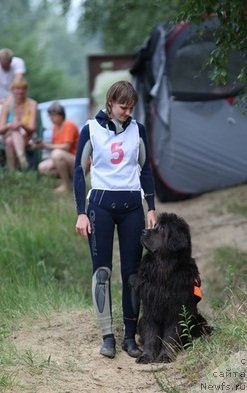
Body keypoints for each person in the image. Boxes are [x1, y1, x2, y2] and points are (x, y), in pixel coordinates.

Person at [74, 80, 156, 359]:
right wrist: (81, 213)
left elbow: (145, 169)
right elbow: (77, 172)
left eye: (131, 107)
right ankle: (107, 336)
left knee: (133, 274)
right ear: (110, 102)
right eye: (123, 106)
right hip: (100, 207)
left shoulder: (138, 130)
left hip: (133, 207)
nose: (127, 112)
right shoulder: (90, 129)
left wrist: (152, 206)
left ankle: (129, 337)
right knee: (102, 273)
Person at [35, 102, 79, 193]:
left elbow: (66, 147)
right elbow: (55, 146)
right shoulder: (55, 128)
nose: (51, 118)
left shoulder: (69, 125)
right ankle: (68, 181)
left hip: (77, 160)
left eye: (54, 115)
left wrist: (45, 145)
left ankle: (66, 186)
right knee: (42, 167)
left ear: (61, 115)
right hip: (65, 158)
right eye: (50, 116)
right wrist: (39, 146)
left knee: (57, 154)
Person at [0, 77, 37, 170]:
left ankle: (12, 171)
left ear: (26, 90)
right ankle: (22, 161)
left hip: (27, 136)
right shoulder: (7, 105)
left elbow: (32, 128)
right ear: (12, 90)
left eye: (22, 89)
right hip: (9, 134)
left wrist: (21, 124)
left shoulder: (32, 104)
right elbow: (1, 129)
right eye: (17, 89)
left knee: (10, 141)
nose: (20, 91)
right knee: (12, 135)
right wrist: (10, 125)